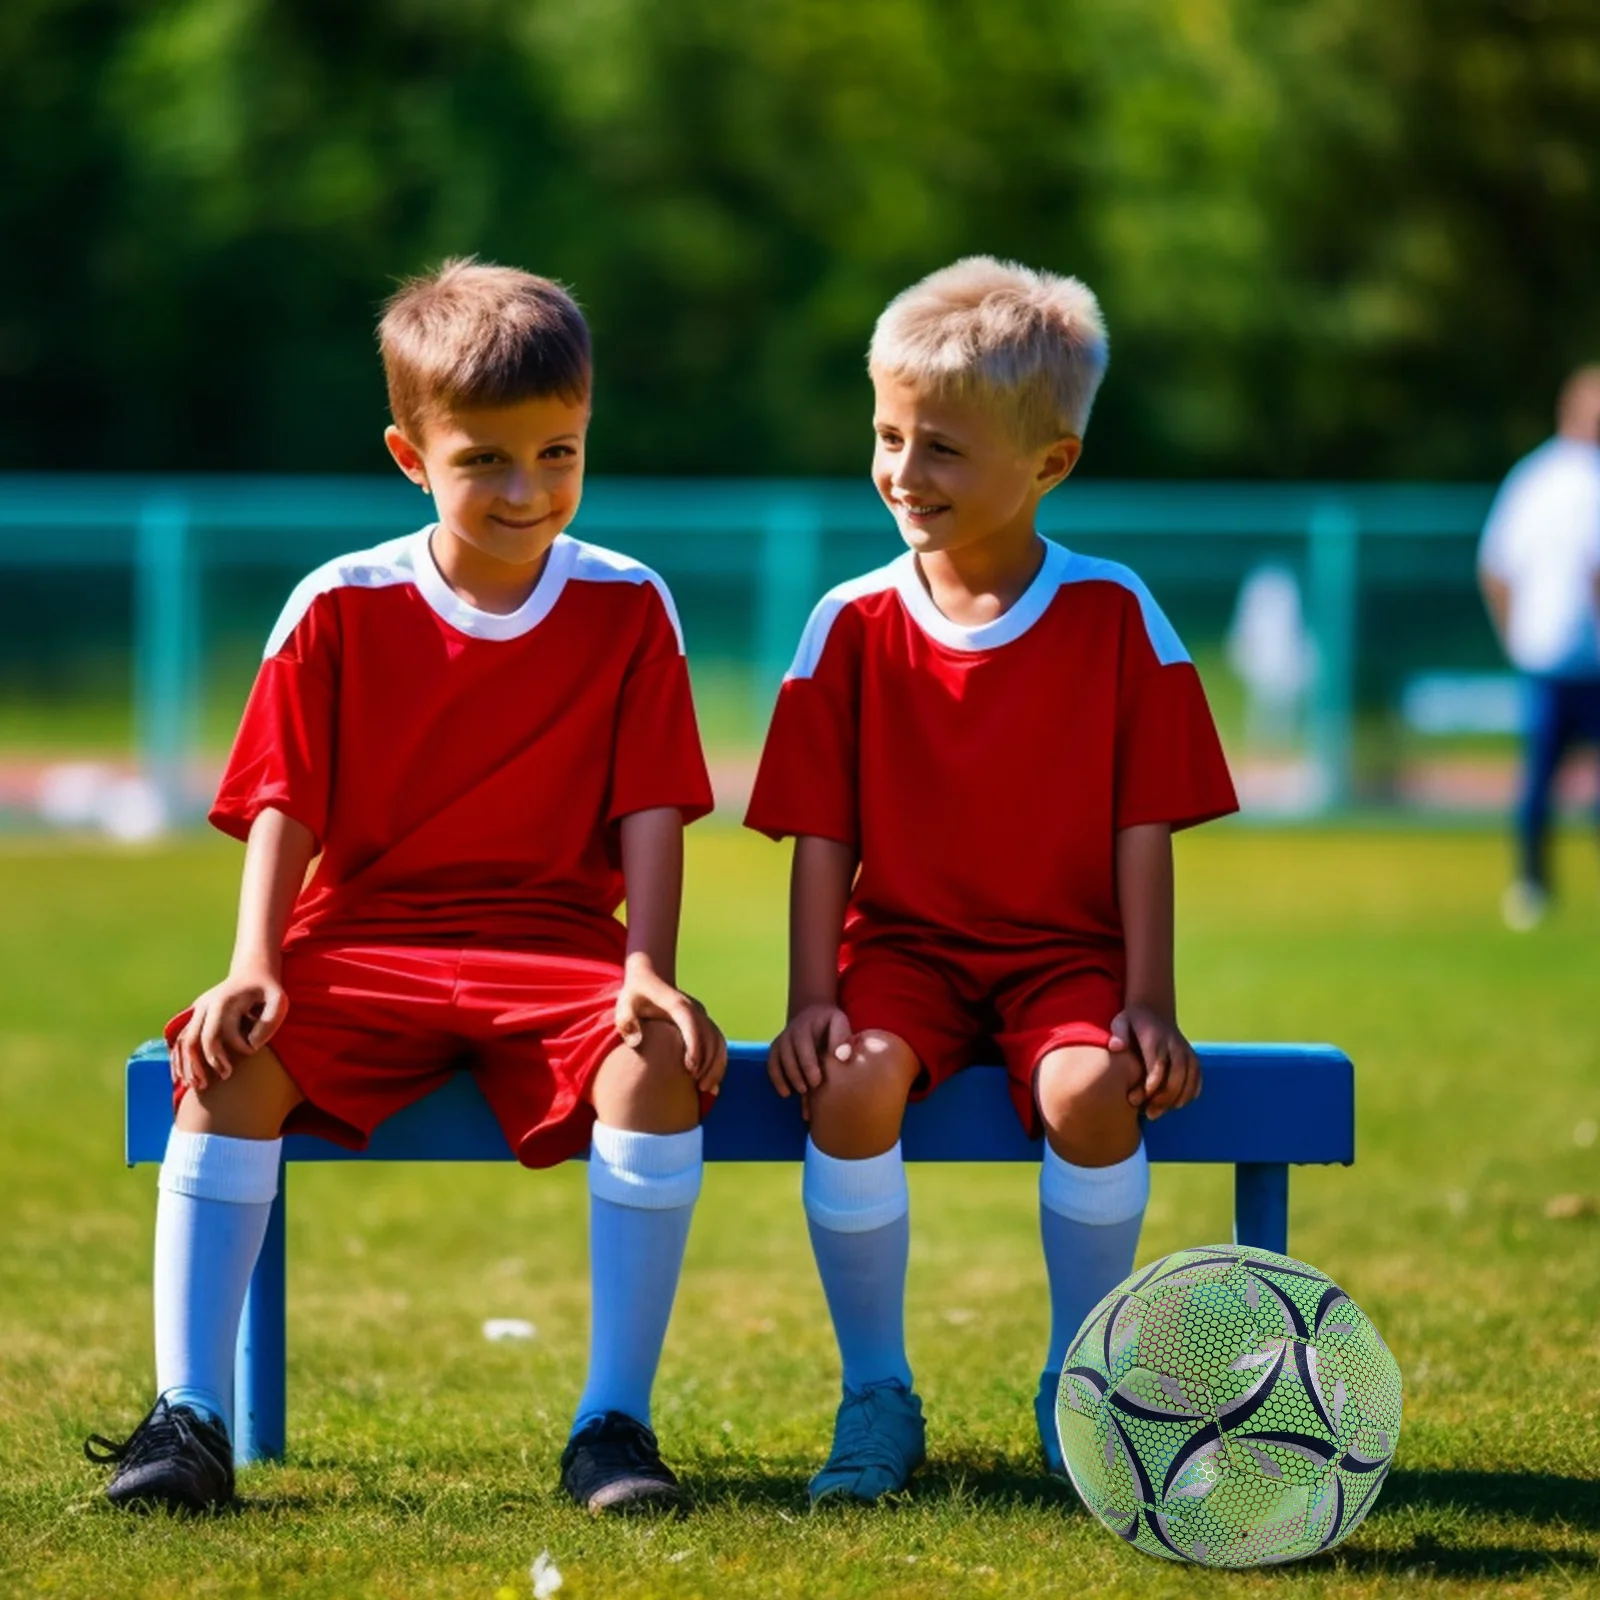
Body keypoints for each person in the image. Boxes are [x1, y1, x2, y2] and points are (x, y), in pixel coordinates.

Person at [85, 259, 726, 1516]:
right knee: (224, 1059)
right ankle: (188, 1419)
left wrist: (648, 961)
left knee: (652, 1062)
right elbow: (288, 802)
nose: (528, 489)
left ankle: (612, 1424)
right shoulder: (338, 602)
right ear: (408, 454)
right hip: (361, 941)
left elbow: (652, 804)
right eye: (485, 458)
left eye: (559, 451)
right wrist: (255, 961)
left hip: (553, 949)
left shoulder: (630, 603)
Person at [744, 257, 1237, 1505]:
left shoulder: (1117, 615)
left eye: (944, 449)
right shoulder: (846, 622)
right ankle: (875, 1393)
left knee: (1091, 1090)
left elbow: (1143, 827)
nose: (905, 473)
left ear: (1049, 465)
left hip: (1064, 959)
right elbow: (821, 836)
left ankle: (1085, 1390)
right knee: (848, 1091)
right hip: (899, 955)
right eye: (889, 436)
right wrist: (813, 998)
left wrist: (1149, 1000)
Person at [1478, 365, 1600, 930]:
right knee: (1538, 784)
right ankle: (1532, 884)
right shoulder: (1538, 479)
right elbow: (1497, 566)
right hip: (1550, 658)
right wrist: (1516, 637)